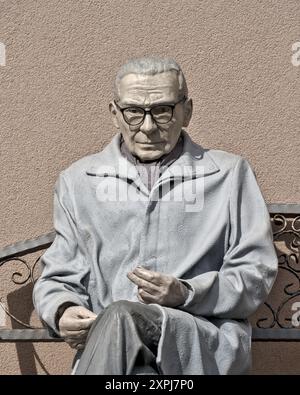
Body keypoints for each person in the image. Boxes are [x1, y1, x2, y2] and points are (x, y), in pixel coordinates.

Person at [33, 57, 278, 375]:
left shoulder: (230, 175)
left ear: (187, 111)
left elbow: (254, 274)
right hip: (113, 353)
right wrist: (63, 309)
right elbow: (59, 275)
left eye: (162, 110)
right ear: (114, 114)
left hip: (197, 345)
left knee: (123, 316)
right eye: (134, 112)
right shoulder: (79, 181)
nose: (147, 127)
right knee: (129, 353)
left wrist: (187, 293)